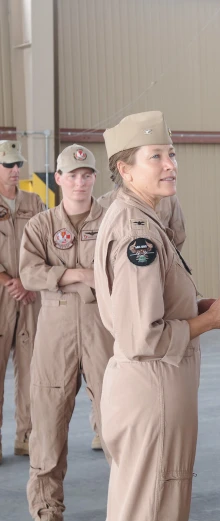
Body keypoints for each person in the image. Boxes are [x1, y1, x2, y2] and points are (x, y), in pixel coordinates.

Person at [94, 111, 220, 521]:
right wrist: (210, 322)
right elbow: (141, 338)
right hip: (153, 390)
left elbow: (149, 307)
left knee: (147, 502)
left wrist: (198, 308)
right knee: (151, 508)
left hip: (153, 389)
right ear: (124, 169)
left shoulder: (144, 217)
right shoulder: (139, 235)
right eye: (156, 157)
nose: (170, 164)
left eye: (172, 153)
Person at [20, 144, 113, 520]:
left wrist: (57, 276)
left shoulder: (112, 220)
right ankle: (46, 510)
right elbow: (29, 274)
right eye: (71, 175)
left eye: (86, 174)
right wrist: (78, 274)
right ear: (58, 179)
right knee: (47, 428)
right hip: (55, 333)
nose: (79, 182)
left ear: (95, 178)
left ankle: (130, 506)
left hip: (102, 329)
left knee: (117, 423)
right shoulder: (40, 225)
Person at [0, 140, 45, 462]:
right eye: (8, 165)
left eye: (18, 165)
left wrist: (29, 282)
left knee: (31, 370)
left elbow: (46, 247)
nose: (15, 170)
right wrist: (9, 282)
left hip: (31, 297)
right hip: (3, 295)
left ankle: (26, 436)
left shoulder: (35, 201)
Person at [97, 182, 186, 251]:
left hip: (160, 267)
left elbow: (178, 235)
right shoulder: (103, 203)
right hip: (120, 269)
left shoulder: (167, 198)